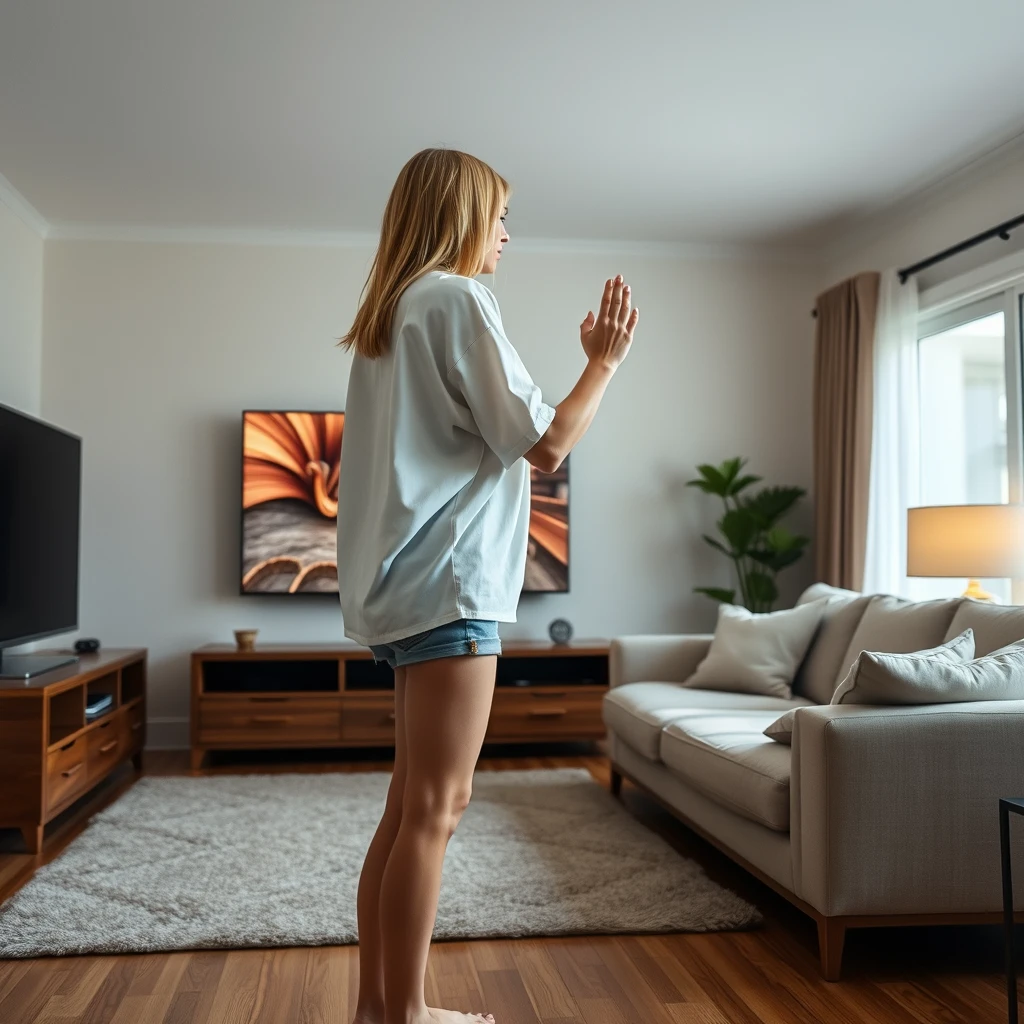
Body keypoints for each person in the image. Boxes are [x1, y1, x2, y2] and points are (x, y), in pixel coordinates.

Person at [335, 147, 639, 1024]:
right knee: (438, 806)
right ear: (464, 214)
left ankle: (378, 1009)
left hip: (402, 592)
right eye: (501, 216)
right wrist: (605, 362)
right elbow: (546, 445)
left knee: (407, 808)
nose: (507, 234)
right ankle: (405, 1018)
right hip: (452, 589)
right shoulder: (458, 297)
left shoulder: (391, 316)